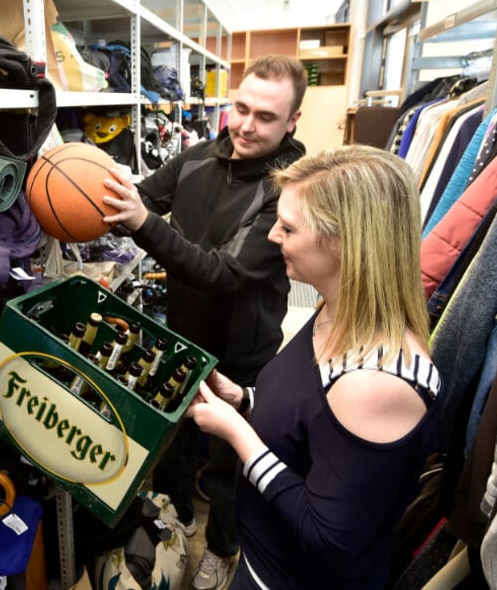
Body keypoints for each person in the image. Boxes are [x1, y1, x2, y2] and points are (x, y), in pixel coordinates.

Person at [186, 145, 444, 589]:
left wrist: (236, 433)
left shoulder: (379, 380)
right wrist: (245, 400)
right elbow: (315, 426)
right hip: (263, 559)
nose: (272, 236)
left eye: (288, 227)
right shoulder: (336, 308)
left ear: (344, 243)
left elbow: (328, 538)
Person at [102, 54, 308, 589]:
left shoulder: (287, 190)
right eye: (241, 108)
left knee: (227, 465)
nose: (245, 125)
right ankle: (177, 520)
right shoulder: (198, 157)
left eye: (266, 116)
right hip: (181, 334)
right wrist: (99, 192)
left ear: (292, 123)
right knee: (169, 442)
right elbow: (143, 198)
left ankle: (222, 548)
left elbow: (226, 273)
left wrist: (145, 224)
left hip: (242, 354)